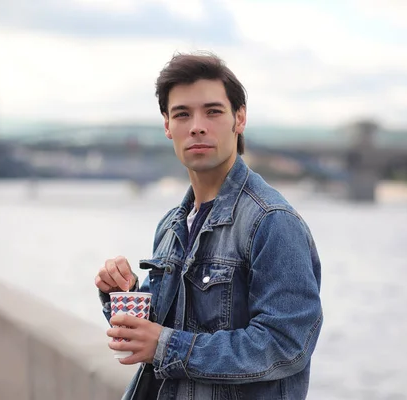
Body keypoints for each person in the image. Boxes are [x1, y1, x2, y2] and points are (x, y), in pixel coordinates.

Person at [95, 51, 323, 400]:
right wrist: (122, 296)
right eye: (182, 114)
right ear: (167, 127)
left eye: (213, 111)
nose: (197, 126)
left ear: (239, 119)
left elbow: (285, 344)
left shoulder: (272, 221)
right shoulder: (171, 225)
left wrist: (166, 346)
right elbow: (164, 329)